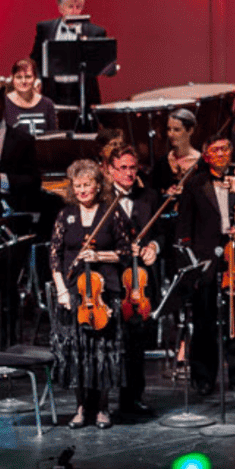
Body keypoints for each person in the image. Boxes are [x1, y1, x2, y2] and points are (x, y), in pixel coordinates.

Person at [49, 160, 131, 430]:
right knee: (78, 352)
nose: (82, 189)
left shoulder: (111, 212)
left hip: (104, 291)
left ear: (98, 186)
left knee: (103, 351)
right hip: (73, 290)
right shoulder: (66, 215)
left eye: (87, 184)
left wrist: (99, 255)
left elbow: (126, 252)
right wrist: (61, 290)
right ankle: (82, 407)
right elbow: (55, 256)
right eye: (78, 185)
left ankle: (103, 407)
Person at [176, 135, 235, 395]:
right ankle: (203, 377)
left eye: (225, 148)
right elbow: (185, 227)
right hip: (206, 260)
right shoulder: (194, 185)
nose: (221, 154)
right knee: (204, 320)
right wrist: (193, 262)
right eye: (215, 150)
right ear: (206, 156)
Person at [108, 146, 161, 419]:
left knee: (136, 341)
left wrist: (153, 246)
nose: (129, 173)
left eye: (132, 167)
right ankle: (106, 398)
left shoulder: (149, 197)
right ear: (110, 170)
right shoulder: (102, 200)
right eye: (123, 168)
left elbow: (161, 232)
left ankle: (133, 398)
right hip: (109, 278)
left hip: (137, 283)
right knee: (109, 341)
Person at [30, 0, 108, 108]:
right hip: (53, 91)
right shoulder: (45, 28)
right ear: (61, 8)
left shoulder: (95, 32)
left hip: (82, 93)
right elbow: (35, 59)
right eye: (70, 6)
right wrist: (38, 79)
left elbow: (102, 65)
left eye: (78, 7)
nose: (75, 11)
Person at [150, 108, 201, 197]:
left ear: (190, 131)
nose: (171, 134)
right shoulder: (162, 162)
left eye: (177, 130)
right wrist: (165, 193)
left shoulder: (201, 162)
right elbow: (151, 192)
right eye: (169, 129)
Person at [3, 57, 58, 134]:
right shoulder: (3, 104)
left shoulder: (47, 104)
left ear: (35, 78)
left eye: (28, 77)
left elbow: (53, 137)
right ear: (13, 79)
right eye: (19, 77)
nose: (23, 81)